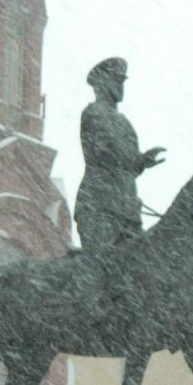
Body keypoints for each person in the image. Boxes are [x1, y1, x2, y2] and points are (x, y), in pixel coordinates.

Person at [74, 56, 165, 252]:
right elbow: (106, 155)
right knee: (100, 268)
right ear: (102, 82)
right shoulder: (93, 113)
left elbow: (127, 167)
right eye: (116, 80)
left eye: (122, 81)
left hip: (128, 210)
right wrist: (137, 160)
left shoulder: (125, 123)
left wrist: (142, 162)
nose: (120, 85)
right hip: (100, 206)